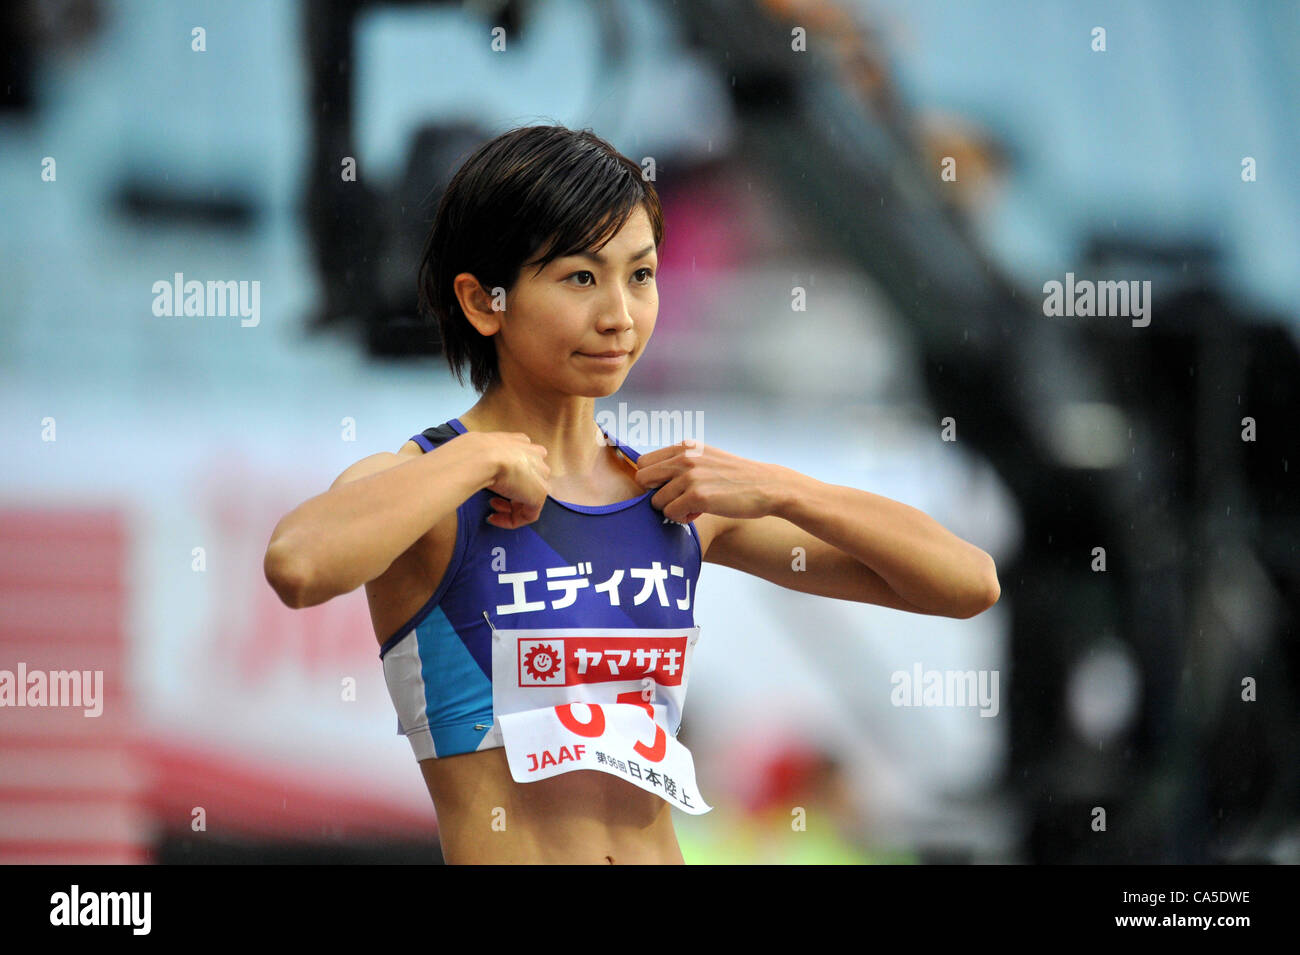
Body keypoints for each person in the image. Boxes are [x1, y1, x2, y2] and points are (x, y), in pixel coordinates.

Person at [263, 123, 1001, 864]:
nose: (619, 314)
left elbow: (966, 581)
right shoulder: (424, 488)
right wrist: (477, 457)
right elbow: (298, 563)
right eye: (581, 277)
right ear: (484, 303)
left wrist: (782, 489)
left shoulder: (676, 499)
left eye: (641, 275)